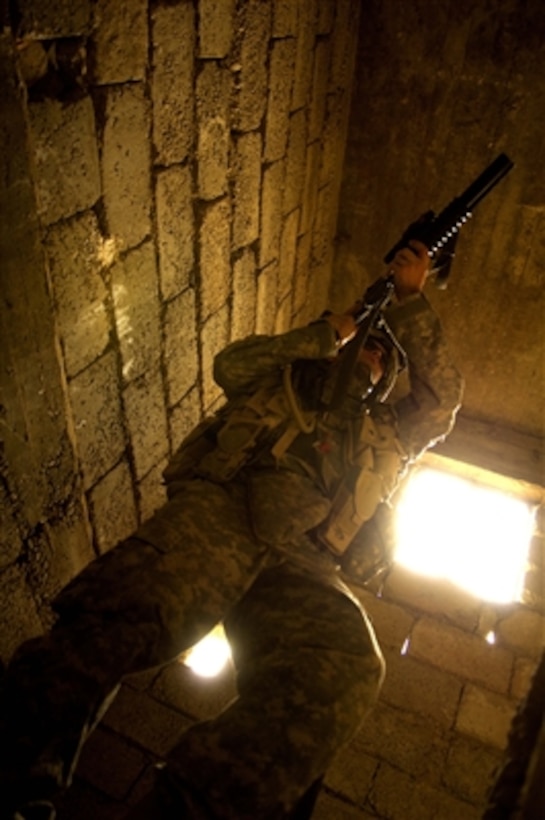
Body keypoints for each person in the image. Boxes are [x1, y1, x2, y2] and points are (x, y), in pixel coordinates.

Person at [0, 240, 463, 820]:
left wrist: (410, 299)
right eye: (364, 346)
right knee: (118, 618)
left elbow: (443, 399)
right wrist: (328, 333)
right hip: (223, 512)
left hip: (306, 559)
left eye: (381, 355)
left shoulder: (393, 433)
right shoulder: (282, 380)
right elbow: (232, 364)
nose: (371, 355)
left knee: (345, 661)